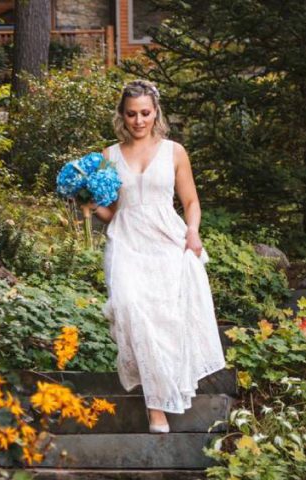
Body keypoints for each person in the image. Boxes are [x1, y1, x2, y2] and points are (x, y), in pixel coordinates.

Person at [90, 79, 225, 434]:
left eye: (145, 113)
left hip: (166, 240)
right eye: (131, 114)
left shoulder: (174, 152)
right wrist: (89, 205)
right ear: (122, 115)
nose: (138, 121)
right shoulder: (109, 156)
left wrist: (192, 232)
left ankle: (159, 405)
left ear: (156, 113)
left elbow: (191, 201)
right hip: (127, 243)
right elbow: (112, 211)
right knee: (130, 308)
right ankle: (156, 405)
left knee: (165, 321)